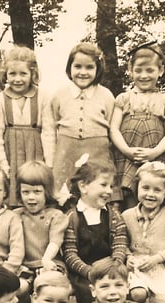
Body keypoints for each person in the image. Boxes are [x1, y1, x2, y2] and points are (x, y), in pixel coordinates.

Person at [110, 42, 165, 210]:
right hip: (126, 155)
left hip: (152, 154)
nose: (144, 75)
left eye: (150, 70)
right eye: (138, 70)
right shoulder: (123, 99)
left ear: (160, 71)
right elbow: (114, 128)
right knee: (124, 198)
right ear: (130, 70)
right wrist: (126, 150)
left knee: (149, 192)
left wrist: (154, 153)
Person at [121, 161, 165, 303]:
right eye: (146, 188)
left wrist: (157, 258)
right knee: (137, 293)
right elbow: (121, 242)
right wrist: (127, 256)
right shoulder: (127, 215)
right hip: (137, 265)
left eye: (157, 190)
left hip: (161, 264)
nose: (150, 194)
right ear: (137, 188)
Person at [0, 46, 54, 206]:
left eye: (23, 74)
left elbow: (48, 132)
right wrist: (3, 165)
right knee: (13, 194)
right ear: (5, 74)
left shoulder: (43, 96)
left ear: (33, 74)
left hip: (36, 153)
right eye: (12, 74)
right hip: (10, 153)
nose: (17, 79)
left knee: (35, 190)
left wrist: (49, 163)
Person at [49, 42, 116, 195]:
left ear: (97, 69)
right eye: (77, 66)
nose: (83, 72)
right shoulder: (59, 95)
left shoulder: (106, 95)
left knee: (96, 188)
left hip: (98, 152)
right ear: (69, 68)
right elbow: (50, 130)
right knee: (64, 193)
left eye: (89, 67)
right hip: (67, 151)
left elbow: (113, 129)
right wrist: (51, 160)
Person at [62, 160, 127, 303]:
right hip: (84, 273)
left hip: (111, 269)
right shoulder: (71, 218)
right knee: (88, 293)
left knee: (117, 289)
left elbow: (120, 244)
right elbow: (70, 254)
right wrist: (89, 272)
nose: (109, 191)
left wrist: (115, 265)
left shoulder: (114, 215)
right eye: (104, 185)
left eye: (111, 186)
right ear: (83, 186)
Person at [13, 161, 69, 303]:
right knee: (19, 287)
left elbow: (55, 241)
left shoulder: (55, 216)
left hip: (48, 263)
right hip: (24, 266)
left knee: (46, 285)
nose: (31, 197)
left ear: (47, 192)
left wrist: (46, 259)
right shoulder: (16, 216)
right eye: (26, 192)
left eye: (37, 192)